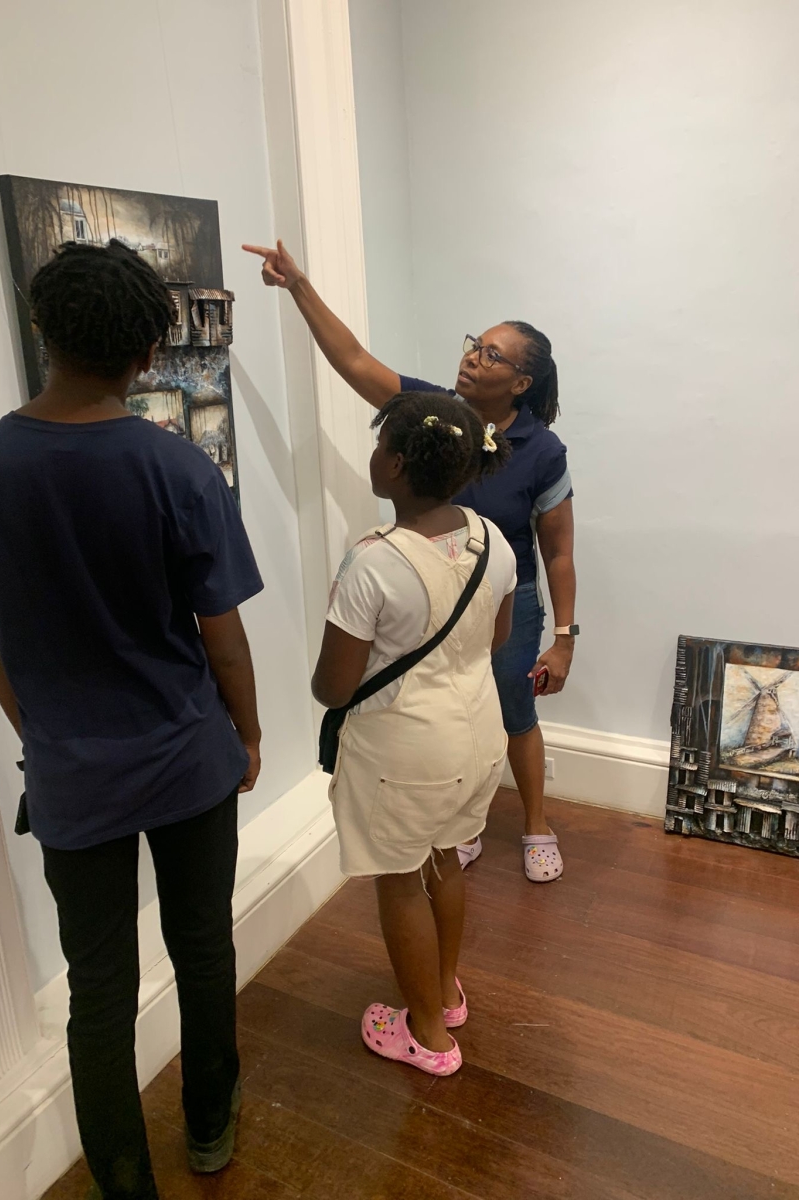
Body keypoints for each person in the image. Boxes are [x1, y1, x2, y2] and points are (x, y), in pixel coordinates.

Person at [0, 241, 263, 1200]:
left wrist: (37, 729)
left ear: (41, 330)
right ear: (145, 356)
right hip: (183, 753)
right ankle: (209, 1131)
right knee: (203, 947)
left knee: (98, 989)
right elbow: (222, 634)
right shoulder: (177, 467)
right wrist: (247, 735)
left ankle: (125, 1182)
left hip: (70, 770)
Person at [246, 240, 575, 883]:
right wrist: (298, 287)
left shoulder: (542, 449)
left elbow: (558, 550)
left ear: (521, 381)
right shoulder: (430, 410)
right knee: (439, 706)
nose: (471, 359)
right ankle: (458, 824)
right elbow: (353, 360)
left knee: (510, 709)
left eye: (491, 355)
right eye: (472, 344)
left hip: (500, 594)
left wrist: (563, 637)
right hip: (422, 587)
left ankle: (537, 822)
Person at [313, 390, 517, 1075]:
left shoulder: (373, 561)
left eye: (378, 446)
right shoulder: (494, 540)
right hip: (479, 732)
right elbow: (499, 637)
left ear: (396, 465)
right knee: (446, 857)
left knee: (400, 880)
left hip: (402, 749)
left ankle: (427, 1035)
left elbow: (333, 687)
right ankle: (447, 989)